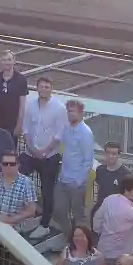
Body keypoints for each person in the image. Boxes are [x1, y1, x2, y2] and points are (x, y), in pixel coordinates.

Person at [20, 77, 68, 240]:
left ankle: (45, 225)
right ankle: (19, 216)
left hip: (50, 157)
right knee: (18, 180)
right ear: (37, 88)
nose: (44, 89)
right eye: (41, 86)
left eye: (47, 86)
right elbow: (25, 127)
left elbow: (60, 133)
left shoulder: (59, 108)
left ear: (51, 89)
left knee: (47, 191)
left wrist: (45, 150)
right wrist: (32, 148)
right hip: (30, 153)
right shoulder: (30, 105)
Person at [53, 99, 94, 238]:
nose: (70, 114)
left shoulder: (86, 133)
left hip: (76, 182)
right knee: (59, 210)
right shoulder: (67, 128)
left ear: (81, 113)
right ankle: (70, 237)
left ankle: (85, 243)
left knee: (79, 216)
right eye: (68, 111)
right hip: (63, 179)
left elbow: (88, 160)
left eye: (73, 111)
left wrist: (79, 181)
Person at [0, 50, 28, 136]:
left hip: (12, 124)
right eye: (4, 60)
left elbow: (22, 105)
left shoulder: (21, 79)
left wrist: (19, 125)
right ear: (1, 62)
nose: (7, 62)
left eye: (9, 59)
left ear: (14, 61)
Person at [92, 142, 131, 219]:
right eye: (108, 153)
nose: (110, 156)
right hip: (101, 209)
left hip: (117, 213)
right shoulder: (100, 170)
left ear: (118, 155)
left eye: (114, 154)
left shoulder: (125, 174)